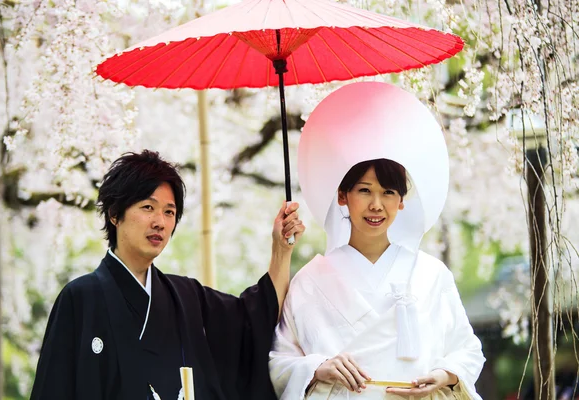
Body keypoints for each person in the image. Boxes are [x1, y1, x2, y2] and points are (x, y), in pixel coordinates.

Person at [30, 149, 305, 400]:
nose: (160, 222)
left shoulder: (187, 297)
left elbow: (255, 319)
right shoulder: (80, 299)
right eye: (148, 207)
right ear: (115, 214)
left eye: (169, 212)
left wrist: (281, 250)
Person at [269, 82, 485, 399]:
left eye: (388, 192)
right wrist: (318, 366)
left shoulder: (430, 274)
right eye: (364, 190)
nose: (376, 205)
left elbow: (466, 349)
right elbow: (281, 360)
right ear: (342, 196)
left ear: (401, 201)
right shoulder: (310, 281)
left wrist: (444, 374)